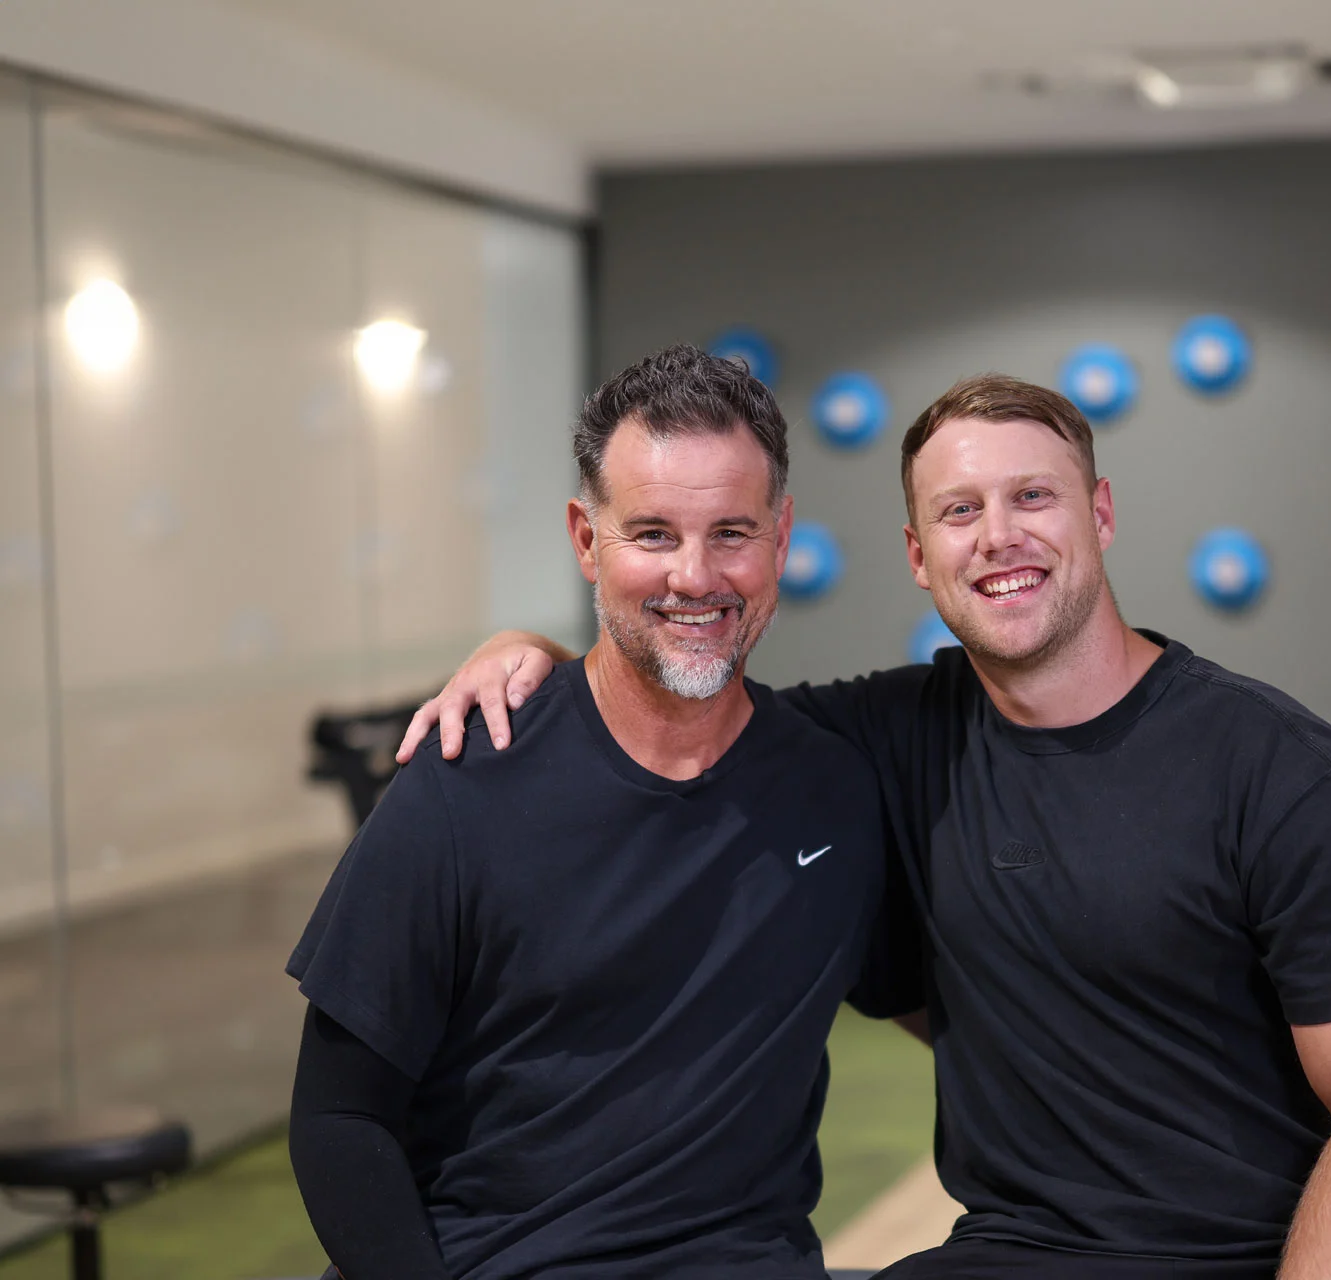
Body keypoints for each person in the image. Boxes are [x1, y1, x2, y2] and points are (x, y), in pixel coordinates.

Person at [402, 373, 1331, 1280]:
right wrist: (526, 645)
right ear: (918, 553)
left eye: (1032, 496)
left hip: (1270, 1251)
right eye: (959, 510)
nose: (999, 535)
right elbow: (671, 702)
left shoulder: (1294, 781)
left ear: (1102, 513)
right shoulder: (883, 740)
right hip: (1022, 1250)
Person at [286, 345, 918, 1280]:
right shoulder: (464, 780)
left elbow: (953, 1004)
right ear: (588, 539)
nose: (695, 577)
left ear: (782, 540)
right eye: (653, 534)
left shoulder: (835, 787)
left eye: (732, 533)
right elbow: (339, 1119)